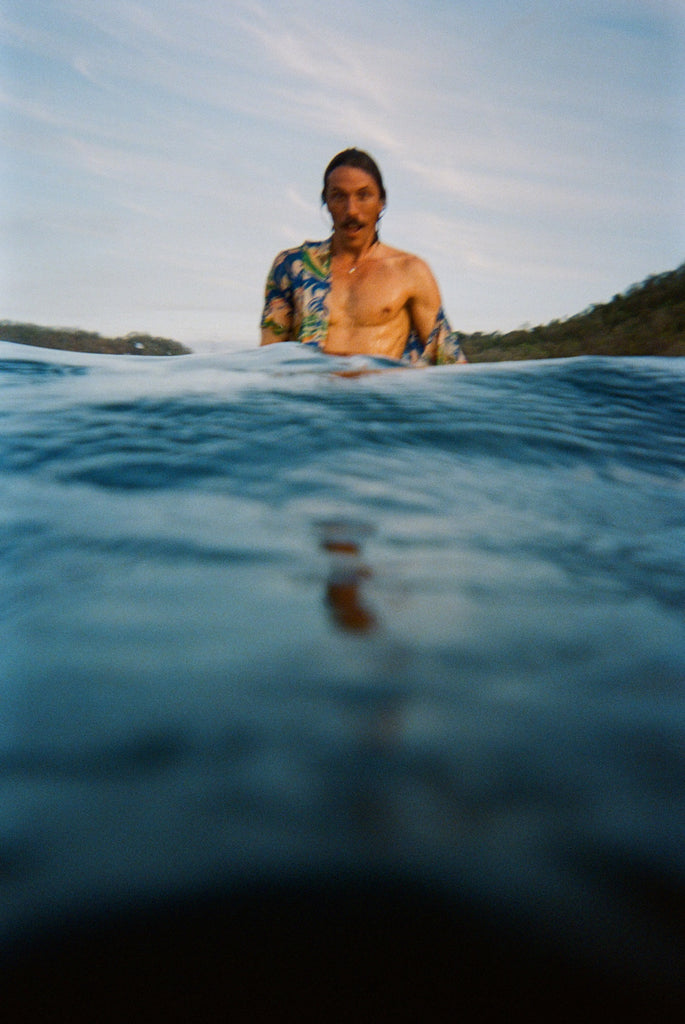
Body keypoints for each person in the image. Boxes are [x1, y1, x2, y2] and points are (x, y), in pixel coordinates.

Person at [260, 148, 466, 365]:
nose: (351, 211)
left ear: (381, 202)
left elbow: (449, 360)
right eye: (339, 196)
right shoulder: (294, 267)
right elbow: (267, 358)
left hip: (380, 396)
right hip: (313, 395)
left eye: (363, 195)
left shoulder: (410, 271)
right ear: (326, 202)